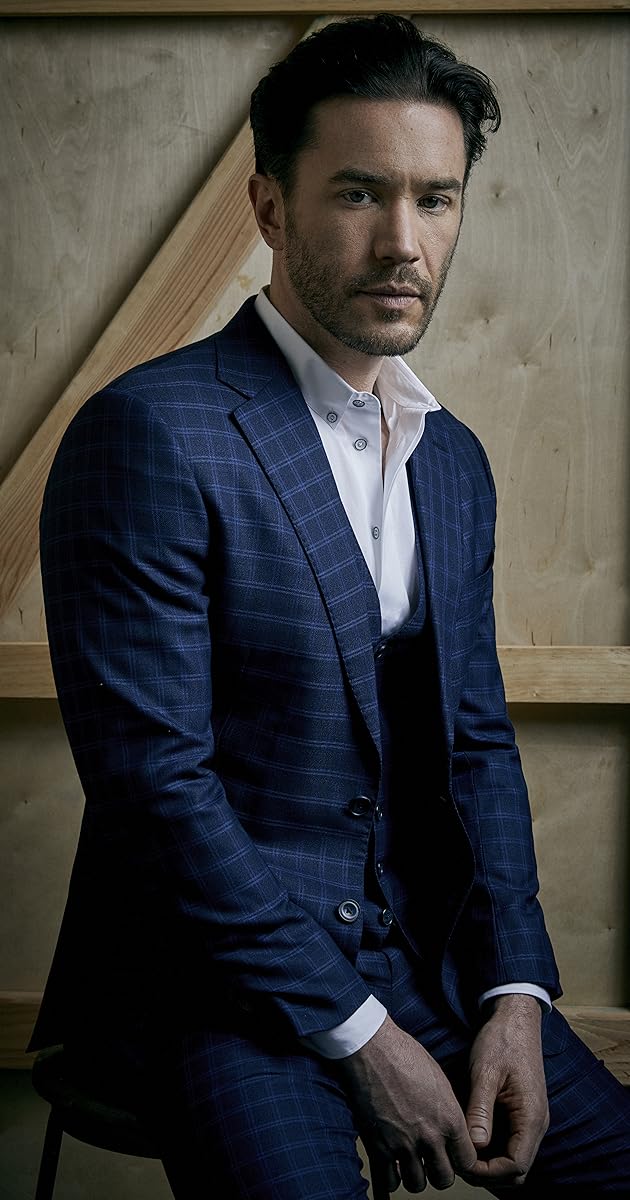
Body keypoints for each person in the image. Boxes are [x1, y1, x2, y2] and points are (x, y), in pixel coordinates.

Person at [30, 14, 630, 1198]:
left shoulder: (451, 460)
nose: (403, 243)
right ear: (268, 208)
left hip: (433, 966)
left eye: (436, 199)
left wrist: (516, 990)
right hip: (219, 982)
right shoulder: (150, 432)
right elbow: (156, 789)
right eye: (359, 193)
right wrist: (361, 1037)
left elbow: (476, 742)